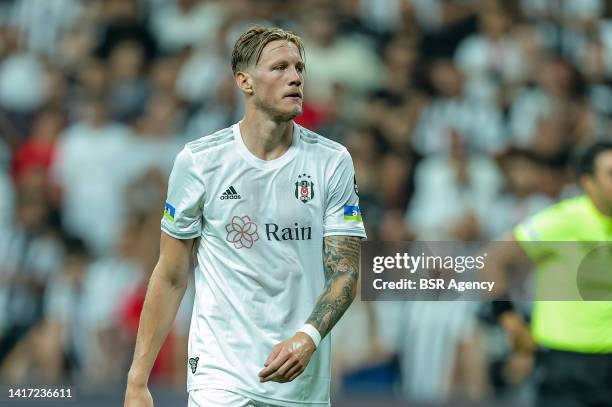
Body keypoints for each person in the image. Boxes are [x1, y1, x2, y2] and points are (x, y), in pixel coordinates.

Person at [124, 26, 366, 407]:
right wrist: (137, 380)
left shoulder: (331, 161)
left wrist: (309, 337)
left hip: (300, 383)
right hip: (219, 375)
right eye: (280, 67)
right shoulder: (200, 162)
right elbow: (170, 275)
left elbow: (346, 273)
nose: (295, 77)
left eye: (300, 68)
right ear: (245, 81)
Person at [487, 141, 612, 407]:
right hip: (565, 366)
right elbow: (491, 260)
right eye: (611, 174)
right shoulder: (563, 220)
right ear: (588, 183)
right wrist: (510, 320)